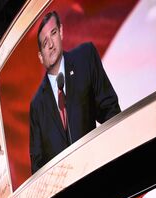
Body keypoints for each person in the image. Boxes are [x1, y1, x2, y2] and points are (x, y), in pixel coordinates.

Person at [29, 11, 120, 173]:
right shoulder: (37, 105)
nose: (50, 44)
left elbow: (110, 111)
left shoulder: (85, 58)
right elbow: (37, 165)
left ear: (61, 32)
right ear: (40, 57)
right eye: (44, 43)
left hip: (98, 172)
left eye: (54, 33)